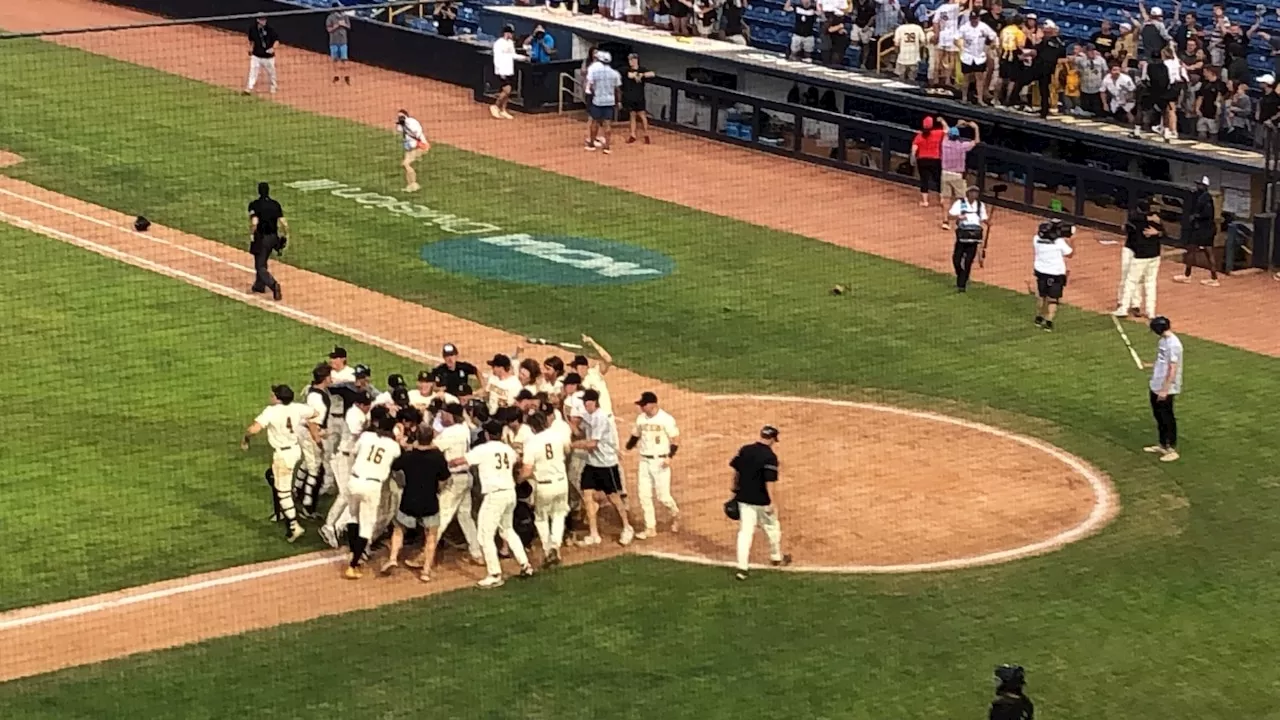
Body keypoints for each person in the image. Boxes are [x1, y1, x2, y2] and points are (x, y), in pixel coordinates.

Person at [450, 421, 535, 588]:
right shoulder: (507, 449)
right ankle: (525, 565)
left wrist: (448, 460)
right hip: (509, 492)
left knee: (484, 535)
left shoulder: (483, 449)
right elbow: (518, 459)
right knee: (508, 530)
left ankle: (494, 574)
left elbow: (460, 461)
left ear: (487, 434)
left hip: (495, 495)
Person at [241, 384, 312, 543]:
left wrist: (245, 439)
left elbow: (254, 429)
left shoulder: (271, 411)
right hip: (295, 450)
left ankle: (294, 527)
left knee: (283, 493)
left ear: (278, 398)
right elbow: (315, 413)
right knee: (277, 482)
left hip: (283, 455)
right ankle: (289, 518)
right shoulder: (297, 408)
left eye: (273, 394)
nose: (270, 396)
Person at [380, 426, 450, 581]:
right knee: (431, 535)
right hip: (429, 500)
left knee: (399, 530)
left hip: (409, 498)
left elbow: (395, 468)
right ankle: (425, 571)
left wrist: (401, 482)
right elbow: (444, 479)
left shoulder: (409, 455)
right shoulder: (438, 456)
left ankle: (392, 558)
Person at [571, 389, 635, 546]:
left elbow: (592, 444)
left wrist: (573, 445)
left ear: (593, 402)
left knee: (614, 497)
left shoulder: (600, 417)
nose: (585, 405)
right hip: (592, 464)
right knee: (587, 496)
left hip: (606, 464)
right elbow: (578, 424)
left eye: (587, 402)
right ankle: (594, 534)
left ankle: (627, 527)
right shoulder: (589, 416)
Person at [342, 413, 402, 579]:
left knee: (353, 517)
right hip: (373, 485)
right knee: (367, 526)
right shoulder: (393, 446)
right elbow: (396, 459)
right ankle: (353, 564)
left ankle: (354, 552)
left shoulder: (366, 436)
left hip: (354, 480)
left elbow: (354, 452)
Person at [729, 425, 791, 581]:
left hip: (744, 498)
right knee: (772, 527)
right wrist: (772, 502)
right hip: (762, 500)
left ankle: (742, 569)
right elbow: (769, 482)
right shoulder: (770, 457)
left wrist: (735, 491)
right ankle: (776, 557)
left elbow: (736, 471)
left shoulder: (745, 449)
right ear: (771, 439)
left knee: (745, 533)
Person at [431, 402, 486, 565]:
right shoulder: (463, 428)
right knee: (465, 516)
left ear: (451, 415)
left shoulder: (451, 432)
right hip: (465, 477)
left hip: (454, 479)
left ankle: (427, 553)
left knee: (442, 516)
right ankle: (476, 553)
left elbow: (432, 447)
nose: (441, 416)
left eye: (444, 414)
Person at [626, 391, 681, 538]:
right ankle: (650, 527)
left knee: (663, 496)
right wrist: (627, 448)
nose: (642, 407)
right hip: (644, 460)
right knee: (644, 495)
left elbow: (675, 439)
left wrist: (670, 457)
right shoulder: (641, 419)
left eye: (644, 405)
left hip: (660, 461)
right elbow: (635, 436)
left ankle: (676, 514)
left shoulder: (666, 419)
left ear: (653, 404)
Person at [520, 411, 572, 565]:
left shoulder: (532, 443)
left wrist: (519, 479)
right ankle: (556, 545)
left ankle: (548, 549)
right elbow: (568, 450)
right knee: (559, 514)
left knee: (541, 518)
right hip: (562, 482)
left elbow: (527, 471)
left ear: (532, 428)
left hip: (544, 485)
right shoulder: (557, 436)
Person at [1114, 201, 1163, 319]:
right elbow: (1166, 233)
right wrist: (1158, 230)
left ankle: (1124, 308)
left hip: (1141, 255)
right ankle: (1150, 311)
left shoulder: (1136, 221)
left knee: (1131, 281)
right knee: (1150, 283)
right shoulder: (1155, 221)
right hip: (1154, 255)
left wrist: (1158, 231)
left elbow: (1127, 225)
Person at [1142, 315, 1182, 462]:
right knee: (1158, 416)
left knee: (1167, 417)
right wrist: (1151, 365)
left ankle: (1171, 448)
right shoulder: (1163, 341)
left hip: (1166, 387)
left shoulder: (1174, 345)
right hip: (1156, 383)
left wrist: (1165, 389)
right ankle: (1162, 444)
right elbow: (1162, 361)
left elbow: (1173, 369)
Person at [1174, 176, 1219, 286]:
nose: (1197, 186)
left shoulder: (1206, 198)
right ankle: (1213, 278)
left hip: (1204, 229)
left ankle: (1188, 276)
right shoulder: (1202, 196)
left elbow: (1207, 214)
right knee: (1206, 252)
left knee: (1193, 249)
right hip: (1206, 229)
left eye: (1200, 184)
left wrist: (1195, 217)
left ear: (1204, 186)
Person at [247, 181, 287, 301]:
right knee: (262, 260)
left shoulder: (255, 204)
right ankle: (259, 285)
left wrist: (252, 234)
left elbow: (255, 222)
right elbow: (284, 223)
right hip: (274, 238)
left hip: (262, 238)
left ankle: (273, 285)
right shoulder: (275, 204)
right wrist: (285, 236)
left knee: (260, 265)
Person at [1032, 219, 1073, 332]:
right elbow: (1070, 254)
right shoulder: (1059, 242)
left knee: (1042, 296)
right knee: (1053, 299)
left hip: (1040, 272)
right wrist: (1072, 240)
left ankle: (1038, 318)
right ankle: (1048, 322)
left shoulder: (1036, 239)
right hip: (1055, 274)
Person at [948, 184, 989, 292]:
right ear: (968, 193)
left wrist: (988, 222)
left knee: (968, 261)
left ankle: (962, 285)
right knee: (956, 259)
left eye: (976, 192)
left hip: (974, 237)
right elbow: (950, 215)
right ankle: (961, 275)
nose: (974, 194)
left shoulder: (980, 205)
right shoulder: (960, 203)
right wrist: (958, 217)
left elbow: (984, 218)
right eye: (972, 192)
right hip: (962, 235)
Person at [939, 120, 979, 229]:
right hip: (957, 175)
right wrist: (975, 128)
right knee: (962, 198)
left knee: (946, 198)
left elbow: (948, 132)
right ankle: (962, 219)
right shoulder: (962, 146)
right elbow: (976, 141)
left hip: (945, 174)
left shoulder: (944, 143)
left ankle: (945, 221)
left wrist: (957, 125)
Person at [584, 50, 622, 154]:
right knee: (607, 124)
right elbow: (617, 90)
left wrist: (593, 93)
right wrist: (618, 102)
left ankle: (592, 144)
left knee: (594, 122)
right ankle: (607, 147)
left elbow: (590, 86)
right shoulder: (615, 73)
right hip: (610, 102)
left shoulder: (596, 72)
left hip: (598, 101)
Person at [957, 11, 996, 103]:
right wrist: (961, 47)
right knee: (966, 77)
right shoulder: (964, 27)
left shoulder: (984, 27)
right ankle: (964, 98)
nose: (974, 21)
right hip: (967, 55)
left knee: (980, 77)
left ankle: (980, 99)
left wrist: (991, 46)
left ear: (979, 18)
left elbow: (993, 36)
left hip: (979, 56)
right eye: (972, 19)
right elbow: (956, 38)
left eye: (976, 19)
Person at [910, 116, 943, 208]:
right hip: (935, 160)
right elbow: (947, 131)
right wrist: (942, 121)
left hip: (922, 160)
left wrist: (912, 159)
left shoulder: (919, 136)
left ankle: (925, 202)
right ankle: (942, 200)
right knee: (938, 180)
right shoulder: (937, 133)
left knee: (924, 180)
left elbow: (914, 149)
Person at [622, 53, 655, 144]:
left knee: (642, 115)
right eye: (629, 60)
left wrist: (642, 75)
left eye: (632, 60)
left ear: (636, 60)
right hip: (630, 97)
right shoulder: (626, 70)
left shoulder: (642, 69)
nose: (630, 62)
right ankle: (633, 135)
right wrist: (637, 75)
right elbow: (630, 75)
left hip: (639, 97)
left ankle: (646, 134)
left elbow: (652, 74)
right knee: (632, 115)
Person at [396, 109, 430, 193]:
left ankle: (414, 185)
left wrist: (406, 124)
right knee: (405, 164)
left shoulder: (412, 122)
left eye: (402, 116)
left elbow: (417, 132)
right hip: (410, 148)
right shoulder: (401, 125)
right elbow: (399, 130)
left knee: (406, 164)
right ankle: (410, 185)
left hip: (420, 146)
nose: (400, 118)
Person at [244, 14, 279, 95]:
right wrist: (250, 48)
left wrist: (273, 48)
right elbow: (252, 41)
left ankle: (273, 86)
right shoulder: (252, 29)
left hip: (268, 57)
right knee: (253, 71)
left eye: (265, 19)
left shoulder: (270, 29)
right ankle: (249, 87)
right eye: (262, 19)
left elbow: (276, 41)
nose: (264, 21)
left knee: (271, 72)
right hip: (256, 55)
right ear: (258, 20)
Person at [490, 25, 518, 120]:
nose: (512, 35)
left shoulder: (510, 43)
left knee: (507, 92)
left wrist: (524, 57)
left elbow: (513, 55)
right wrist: (499, 70)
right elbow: (496, 58)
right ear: (506, 33)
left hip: (509, 70)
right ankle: (495, 106)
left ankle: (503, 110)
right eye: (511, 33)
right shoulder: (498, 43)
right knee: (507, 90)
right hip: (501, 71)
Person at [1192, 65, 1225, 140]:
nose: (1204, 74)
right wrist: (1197, 109)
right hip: (1203, 113)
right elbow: (1200, 97)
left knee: (1213, 133)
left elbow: (1220, 99)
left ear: (1211, 72)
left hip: (1213, 115)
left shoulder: (1220, 85)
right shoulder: (1204, 84)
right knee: (1201, 132)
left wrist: (1218, 113)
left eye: (1205, 72)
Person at [1075, 44, 1107, 115]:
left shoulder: (1101, 60)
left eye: (1093, 50)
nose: (1092, 52)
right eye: (1090, 51)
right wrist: (1080, 54)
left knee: (1097, 110)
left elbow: (1105, 72)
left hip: (1097, 88)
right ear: (1086, 52)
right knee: (1086, 110)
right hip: (1085, 87)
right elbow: (1073, 62)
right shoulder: (1080, 59)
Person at [893, 14, 925, 81]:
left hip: (902, 56)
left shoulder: (900, 28)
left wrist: (897, 53)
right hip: (914, 56)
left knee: (901, 78)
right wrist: (918, 47)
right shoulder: (918, 28)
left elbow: (896, 43)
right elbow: (923, 41)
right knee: (912, 78)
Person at [325, 4, 351, 85]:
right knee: (335, 60)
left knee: (344, 60)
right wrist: (336, 26)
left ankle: (346, 77)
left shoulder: (345, 17)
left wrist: (343, 25)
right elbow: (329, 30)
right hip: (333, 42)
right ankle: (336, 77)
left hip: (343, 42)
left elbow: (349, 27)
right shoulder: (330, 18)